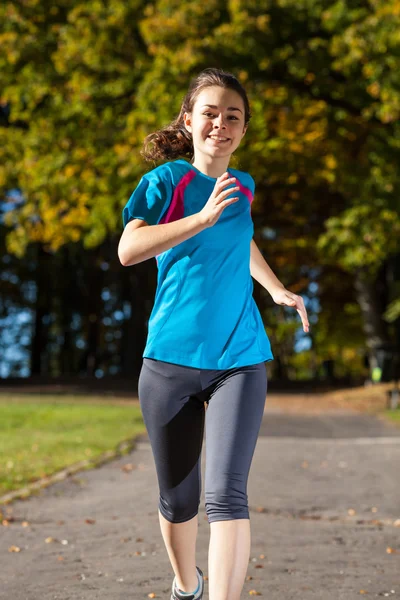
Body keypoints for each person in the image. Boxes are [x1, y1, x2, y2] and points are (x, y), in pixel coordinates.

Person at [118, 68, 309, 600]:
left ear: (243, 130)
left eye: (233, 116)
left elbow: (240, 239)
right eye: (210, 112)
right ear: (188, 120)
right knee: (180, 501)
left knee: (227, 496)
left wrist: (273, 288)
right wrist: (199, 218)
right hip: (168, 362)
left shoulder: (241, 185)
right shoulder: (165, 182)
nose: (220, 124)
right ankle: (187, 585)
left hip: (239, 357)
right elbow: (129, 251)